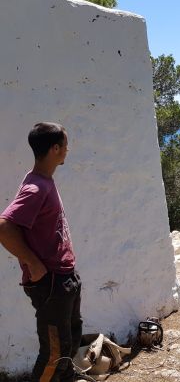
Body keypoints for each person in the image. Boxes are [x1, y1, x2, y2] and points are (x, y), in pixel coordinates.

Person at [0, 122, 82, 382]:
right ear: (55, 148)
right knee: (54, 354)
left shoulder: (44, 180)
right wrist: (33, 264)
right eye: (65, 145)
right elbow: (4, 227)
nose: (68, 150)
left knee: (69, 342)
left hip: (65, 278)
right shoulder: (36, 187)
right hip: (51, 285)